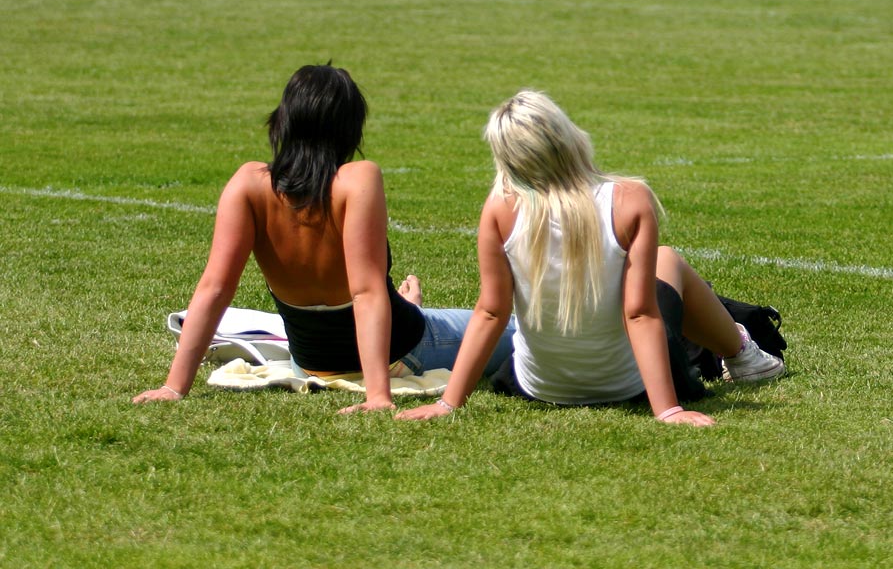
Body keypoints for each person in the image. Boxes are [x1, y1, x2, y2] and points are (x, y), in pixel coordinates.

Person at [134, 66, 517, 410]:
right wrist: (377, 395)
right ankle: (410, 314)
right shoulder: (357, 178)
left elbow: (214, 288)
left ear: (284, 121)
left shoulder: (248, 184)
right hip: (402, 352)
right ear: (349, 128)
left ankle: (408, 307)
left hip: (312, 362)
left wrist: (175, 386)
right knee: (517, 329)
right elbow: (365, 292)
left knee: (407, 308)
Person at [395, 90, 784, 426]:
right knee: (667, 260)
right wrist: (666, 409)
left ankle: (739, 349)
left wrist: (448, 403)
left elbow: (492, 312)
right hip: (631, 387)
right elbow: (639, 313)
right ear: (567, 137)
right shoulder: (629, 198)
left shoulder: (500, 207)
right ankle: (743, 353)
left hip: (537, 387)